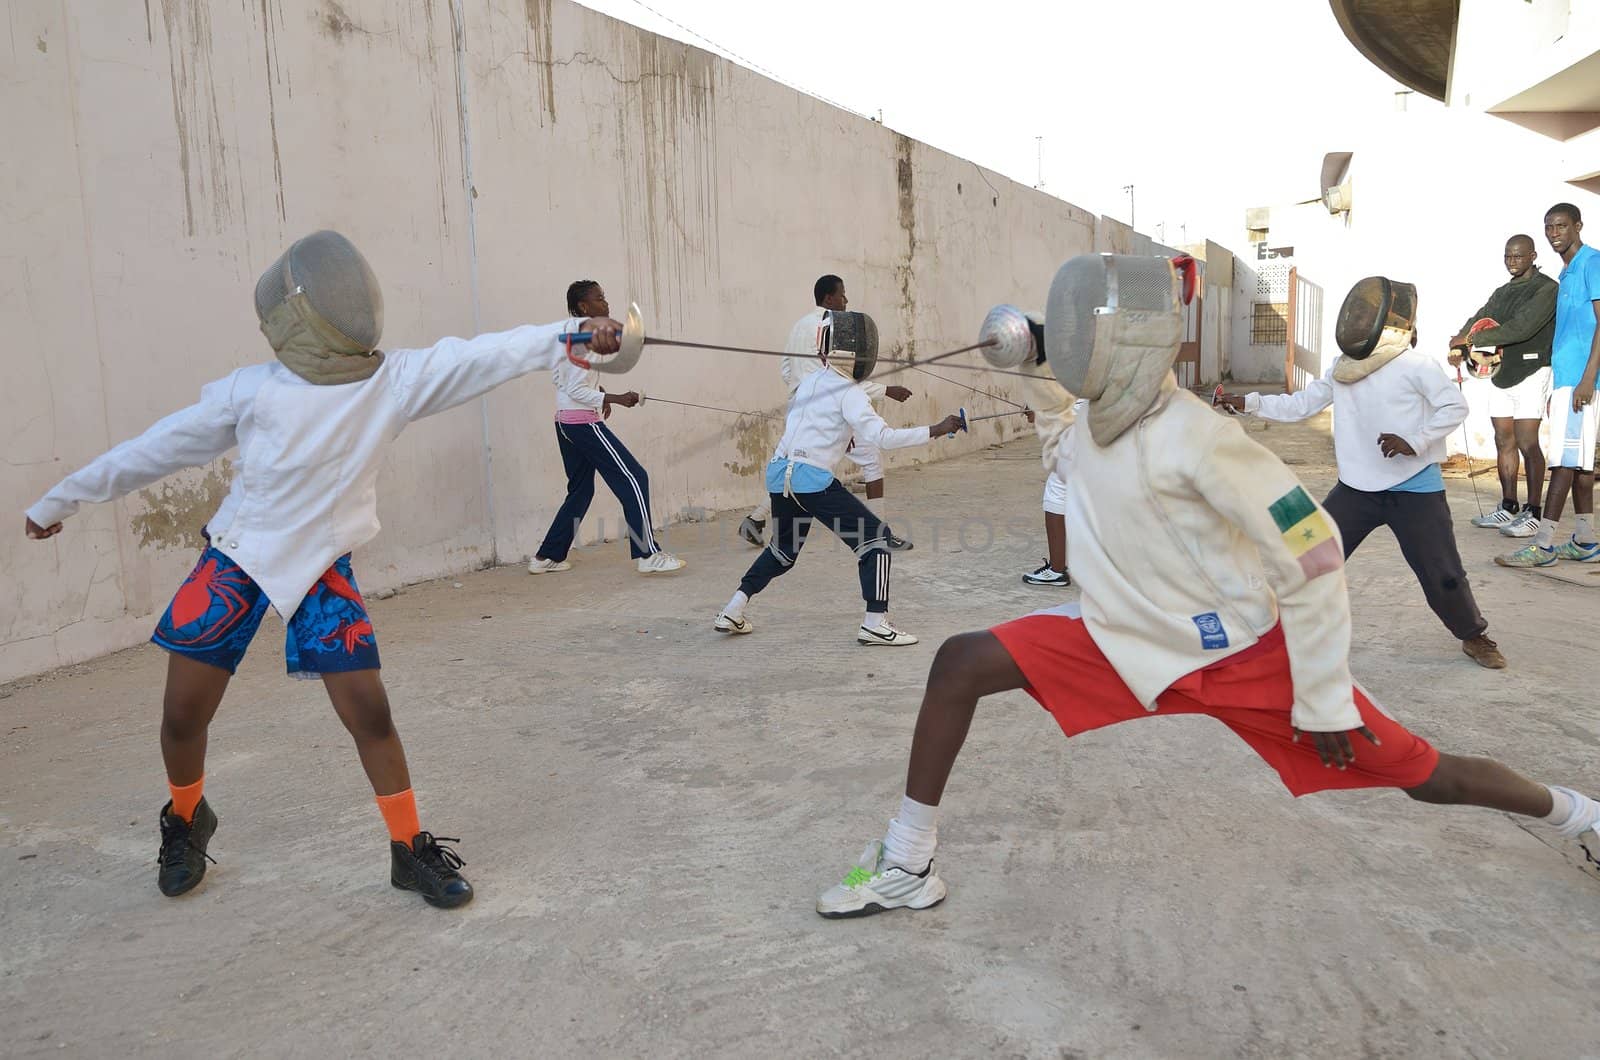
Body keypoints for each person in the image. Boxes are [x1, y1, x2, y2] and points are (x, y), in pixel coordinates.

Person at [816, 254, 1599, 921]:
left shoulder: (1203, 438)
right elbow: (1062, 439)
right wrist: (1032, 369)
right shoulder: (1097, 420)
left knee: (1428, 777)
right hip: (1130, 633)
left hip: (1246, 652)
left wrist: (1322, 692)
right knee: (962, 662)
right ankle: (910, 862)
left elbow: (1318, 548)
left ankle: (1580, 815)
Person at [22, 231, 626, 906]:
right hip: (237, 558)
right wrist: (59, 500)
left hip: (321, 569)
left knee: (369, 711)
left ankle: (409, 849)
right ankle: (186, 818)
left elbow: (489, 352)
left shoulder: (392, 383)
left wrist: (577, 334)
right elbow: (155, 449)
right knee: (182, 714)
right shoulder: (249, 392)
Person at [1218, 277, 1504, 669]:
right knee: (1310, 558)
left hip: (1415, 487)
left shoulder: (1417, 365)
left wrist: (1415, 440)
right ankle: (1276, 632)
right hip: (1356, 489)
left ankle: (1474, 635)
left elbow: (1454, 407)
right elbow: (1302, 404)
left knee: (1444, 575)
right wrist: (1249, 402)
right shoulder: (1342, 367)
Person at [715, 312, 964, 645]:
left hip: (778, 475)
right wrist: (937, 429)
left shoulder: (810, 382)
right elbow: (883, 437)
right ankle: (876, 622)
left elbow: (809, 427)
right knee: (875, 539)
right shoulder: (851, 392)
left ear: (824, 348)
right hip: (811, 480)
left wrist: (839, 435)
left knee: (783, 550)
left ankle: (734, 607)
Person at [737, 275, 914, 550]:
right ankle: (880, 534)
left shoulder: (798, 326)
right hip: (826, 412)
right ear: (829, 298)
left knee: (796, 467)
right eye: (842, 295)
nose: (846, 301)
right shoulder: (830, 326)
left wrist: (802, 393)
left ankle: (755, 519)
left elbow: (786, 369)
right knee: (870, 459)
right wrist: (885, 389)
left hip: (801, 411)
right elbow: (837, 378)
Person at [527, 281, 685, 576]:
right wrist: (615, 398)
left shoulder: (571, 333)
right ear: (584, 307)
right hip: (582, 423)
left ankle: (547, 556)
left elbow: (564, 380)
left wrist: (598, 391)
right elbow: (575, 387)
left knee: (581, 490)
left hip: (565, 421)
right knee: (635, 477)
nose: (606, 303)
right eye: (599, 298)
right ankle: (648, 554)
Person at [1497, 203, 1600, 566]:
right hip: (1567, 380)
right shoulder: (1569, 272)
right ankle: (1585, 541)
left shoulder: (1592, 262)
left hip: (1581, 381)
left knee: (1563, 462)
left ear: (1577, 226)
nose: (1554, 232)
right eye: (1549, 227)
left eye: (1561, 226)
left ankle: (1541, 546)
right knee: (1581, 464)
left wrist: (1587, 378)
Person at [1447, 235, 1556, 534]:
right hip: (1502, 372)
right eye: (1508, 256)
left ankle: (1533, 513)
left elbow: (1522, 328)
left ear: (1532, 256)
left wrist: (1470, 340)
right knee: (1502, 439)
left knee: (1526, 441)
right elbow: (1480, 318)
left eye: (1518, 256)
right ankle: (1508, 506)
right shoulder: (1503, 291)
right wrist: (1459, 341)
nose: (1512, 261)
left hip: (1533, 370)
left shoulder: (1547, 289)